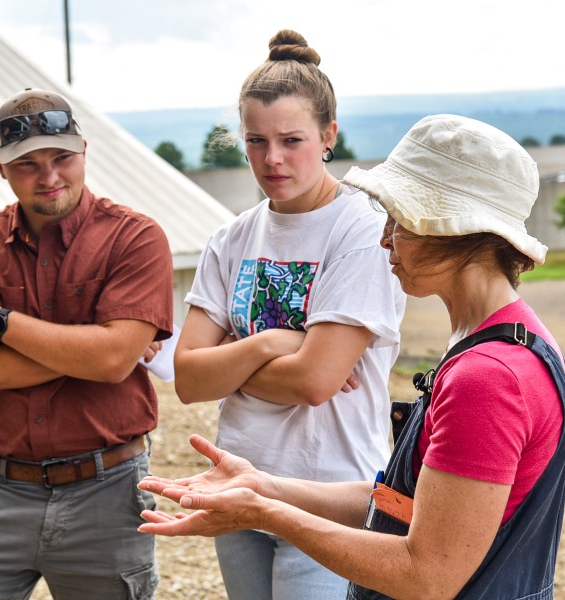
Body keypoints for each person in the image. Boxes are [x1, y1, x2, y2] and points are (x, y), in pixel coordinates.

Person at [137, 114, 565, 600]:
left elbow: (426, 575)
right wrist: (264, 486)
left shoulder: (488, 379)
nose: (384, 238)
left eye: (399, 221)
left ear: (453, 230)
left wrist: (266, 514)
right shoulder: (506, 339)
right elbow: (406, 506)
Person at [170, 29, 405, 600]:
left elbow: (315, 381)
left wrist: (234, 358)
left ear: (329, 135)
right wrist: (273, 341)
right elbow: (188, 379)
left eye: (291, 139)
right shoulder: (231, 238)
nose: (272, 159)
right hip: (236, 484)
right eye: (256, 141)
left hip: (328, 497)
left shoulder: (364, 228)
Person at [0, 88, 174, 599]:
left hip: (108, 490)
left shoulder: (136, 238)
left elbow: (110, 360)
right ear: (0, 166)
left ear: (83, 149)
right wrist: (100, 345)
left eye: (61, 157)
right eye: (27, 164)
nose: (49, 176)